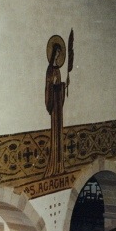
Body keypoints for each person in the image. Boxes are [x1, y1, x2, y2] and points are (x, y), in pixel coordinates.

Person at [44, 31, 73, 177]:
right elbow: (49, 88)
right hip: (54, 107)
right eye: (56, 53)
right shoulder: (50, 70)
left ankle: (60, 165)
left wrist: (64, 85)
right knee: (55, 133)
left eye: (59, 54)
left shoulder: (58, 70)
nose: (57, 56)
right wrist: (56, 85)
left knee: (59, 134)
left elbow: (58, 86)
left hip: (59, 107)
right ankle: (53, 164)